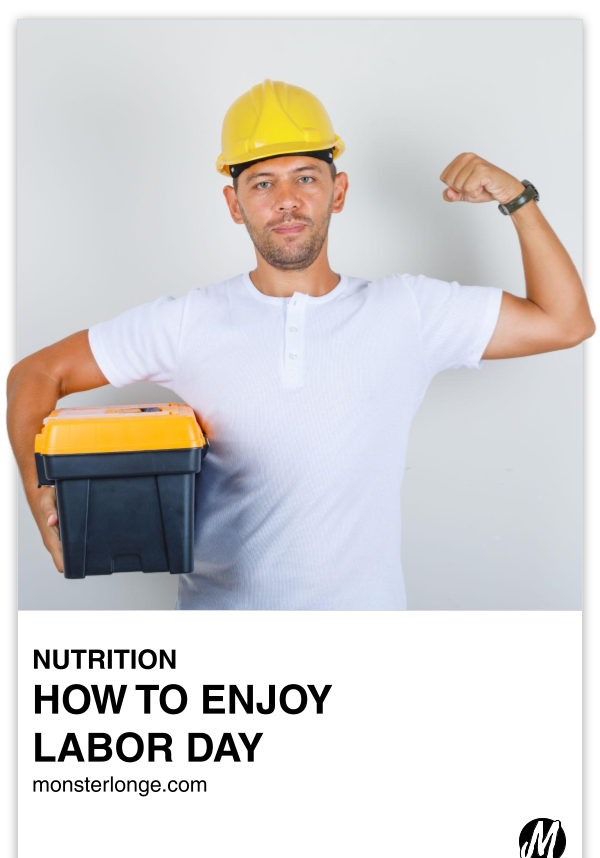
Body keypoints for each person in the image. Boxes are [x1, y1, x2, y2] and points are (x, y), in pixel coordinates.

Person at [8, 78, 594, 610]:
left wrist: (519, 200)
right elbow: (35, 375)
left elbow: (567, 322)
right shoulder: (188, 322)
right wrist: (40, 498)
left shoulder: (407, 312)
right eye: (262, 183)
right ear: (234, 206)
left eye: (305, 178)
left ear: (338, 193)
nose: (286, 199)